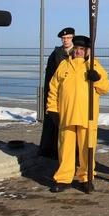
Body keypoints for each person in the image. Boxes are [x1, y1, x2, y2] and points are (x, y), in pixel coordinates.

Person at [46, 35, 109, 193]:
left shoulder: (93, 65)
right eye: (76, 48)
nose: (78, 51)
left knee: (86, 149)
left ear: (88, 51)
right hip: (66, 115)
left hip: (86, 116)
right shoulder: (64, 65)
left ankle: (86, 178)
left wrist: (96, 79)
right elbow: (53, 89)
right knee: (65, 149)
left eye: (82, 49)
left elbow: (106, 87)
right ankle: (63, 178)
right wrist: (52, 109)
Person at [38, 27, 75, 160]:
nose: (66, 40)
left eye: (68, 38)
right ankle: (53, 148)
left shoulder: (78, 52)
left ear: (73, 38)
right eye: (64, 38)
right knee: (55, 122)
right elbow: (50, 76)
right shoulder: (56, 54)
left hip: (73, 95)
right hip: (57, 93)